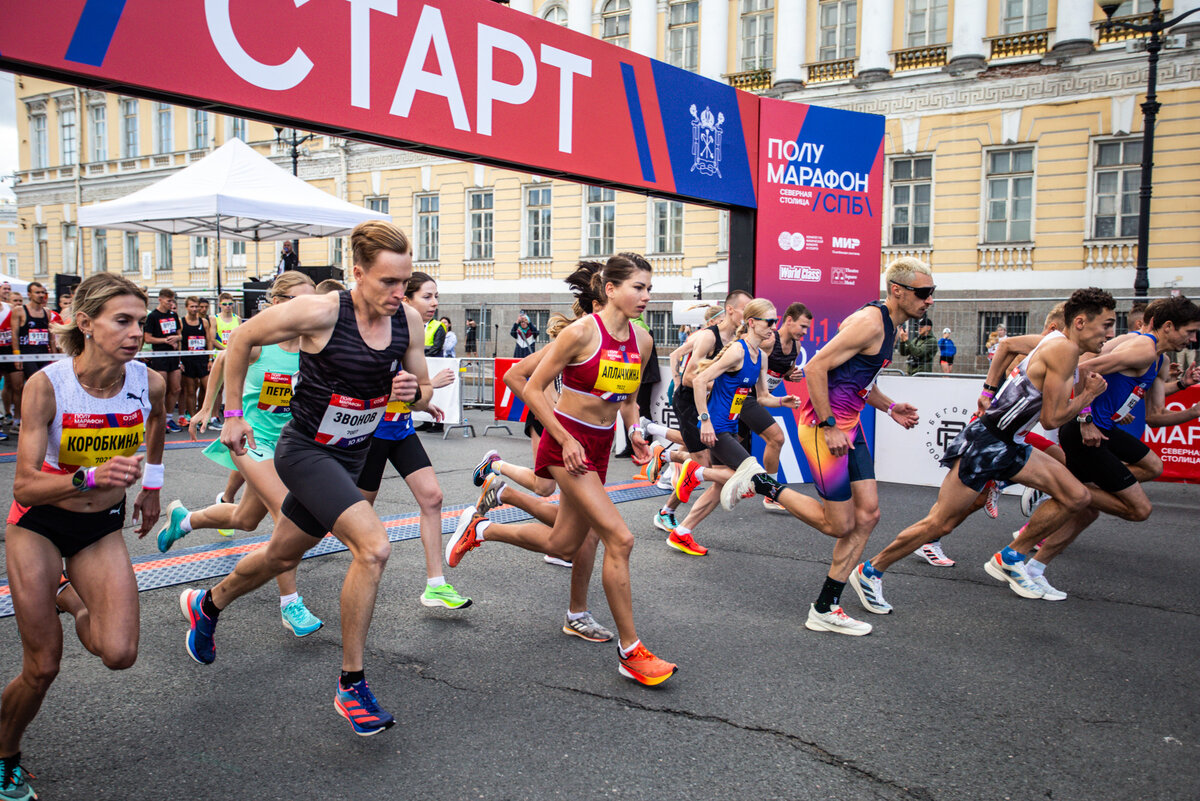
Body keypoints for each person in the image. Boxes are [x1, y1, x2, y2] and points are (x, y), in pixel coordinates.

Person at [178, 220, 423, 736]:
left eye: (405, 282)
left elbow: (419, 390)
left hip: (353, 455)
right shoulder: (319, 311)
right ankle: (351, 684)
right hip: (305, 452)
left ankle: (208, 603)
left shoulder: (408, 321)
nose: (398, 293)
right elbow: (242, 338)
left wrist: (410, 388)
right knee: (374, 548)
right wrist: (231, 413)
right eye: (387, 282)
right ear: (357, 274)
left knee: (281, 554)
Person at [445, 254, 677, 686]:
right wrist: (565, 437)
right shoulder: (580, 333)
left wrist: (636, 430)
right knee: (619, 538)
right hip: (565, 444)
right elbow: (529, 386)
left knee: (566, 543)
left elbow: (627, 397)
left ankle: (483, 530)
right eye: (639, 287)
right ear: (610, 289)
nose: (647, 296)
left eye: (649, 288)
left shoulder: (642, 341)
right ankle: (631, 652)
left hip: (600, 444)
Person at [0, 273, 166, 801]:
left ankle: (69, 597)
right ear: (86, 324)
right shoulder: (48, 385)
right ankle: (6, 755)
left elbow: (159, 420)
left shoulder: (147, 381)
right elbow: (25, 481)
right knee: (43, 665)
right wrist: (89, 476)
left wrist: (152, 488)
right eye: (123, 321)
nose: (136, 332)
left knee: (118, 652)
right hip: (39, 524)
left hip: (100, 526)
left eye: (140, 321)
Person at [849, 288, 1115, 615]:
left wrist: (990, 388)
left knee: (1077, 496)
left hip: (1010, 442)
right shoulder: (1063, 350)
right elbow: (1051, 418)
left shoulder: (1059, 343)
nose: (1110, 334)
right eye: (1107, 325)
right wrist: (1088, 395)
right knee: (940, 524)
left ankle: (1011, 558)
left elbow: (1007, 347)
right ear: (1080, 322)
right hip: (987, 442)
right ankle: (870, 570)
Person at [720, 258, 929, 635]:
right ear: (897, 291)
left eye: (932, 294)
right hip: (824, 427)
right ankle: (762, 483)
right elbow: (816, 367)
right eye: (924, 293)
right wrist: (831, 425)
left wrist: (891, 407)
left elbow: (858, 381)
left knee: (868, 516)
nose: (930, 301)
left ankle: (826, 606)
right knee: (838, 524)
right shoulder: (870, 322)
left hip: (850, 428)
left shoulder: (890, 328)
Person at [156, 272, 324, 636]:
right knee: (287, 515)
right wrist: (206, 407)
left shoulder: (314, 344)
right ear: (278, 304)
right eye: (301, 299)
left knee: (246, 520)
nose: (311, 308)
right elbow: (221, 360)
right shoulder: (262, 340)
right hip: (251, 440)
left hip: (290, 444)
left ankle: (186, 519)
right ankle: (290, 603)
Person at [471, 260, 614, 640]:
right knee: (565, 509)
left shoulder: (622, 340)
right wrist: (556, 421)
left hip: (590, 444)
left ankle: (497, 497)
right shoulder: (575, 337)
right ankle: (578, 613)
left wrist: (637, 430)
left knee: (573, 532)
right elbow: (516, 377)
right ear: (601, 302)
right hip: (560, 432)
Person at [354, 273, 469, 610]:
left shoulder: (412, 334)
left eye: (436, 297)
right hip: (370, 433)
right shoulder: (379, 332)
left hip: (400, 430)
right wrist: (428, 387)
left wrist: (424, 397)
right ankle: (296, 558)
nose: (434, 304)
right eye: (427, 297)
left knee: (432, 497)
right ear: (406, 299)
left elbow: (411, 388)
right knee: (356, 515)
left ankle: (436, 584)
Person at [654, 290, 752, 555]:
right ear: (730, 310)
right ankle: (668, 510)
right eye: (746, 308)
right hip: (690, 403)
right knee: (704, 466)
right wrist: (716, 382)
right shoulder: (710, 336)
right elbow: (689, 378)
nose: (750, 314)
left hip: (714, 406)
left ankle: (668, 465)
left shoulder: (738, 339)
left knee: (714, 472)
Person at [9, 282, 58, 434]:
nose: (41, 295)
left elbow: (50, 336)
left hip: (43, 353)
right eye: (37, 292)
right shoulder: (20, 311)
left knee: (47, 386)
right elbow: (14, 334)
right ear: (29, 294)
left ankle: (44, 417)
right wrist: (17, 356)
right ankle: (18, 418)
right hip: (27, 353)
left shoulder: (47, 312)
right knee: (27, 385)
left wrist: (55, 356)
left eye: (43, 292)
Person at [144, 288, 183, 433]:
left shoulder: (173, 315)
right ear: (160, 299)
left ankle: (168, 417)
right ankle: (157, 417)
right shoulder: (153, 316)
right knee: (162, 388)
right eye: (168, 301)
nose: (171, 303)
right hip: (160, 355)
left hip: (173, 355)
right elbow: (147, 338)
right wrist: (165, 340)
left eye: (173, 301)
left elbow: (180, 335)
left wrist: (176, 338)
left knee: (176, 388)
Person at [179, 296, 212, 428]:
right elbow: (180, 342)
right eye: (192, 306)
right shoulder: (182, 322)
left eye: (196, 306)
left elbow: (209, 340)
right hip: (188, 359)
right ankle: (193, 418)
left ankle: (202, 413)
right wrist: (179, 360)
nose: (194, 309)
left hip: (202, 359)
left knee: (207, 387)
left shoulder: (203, 322)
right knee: (190, 390)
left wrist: (210, 358)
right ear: (187, 307)